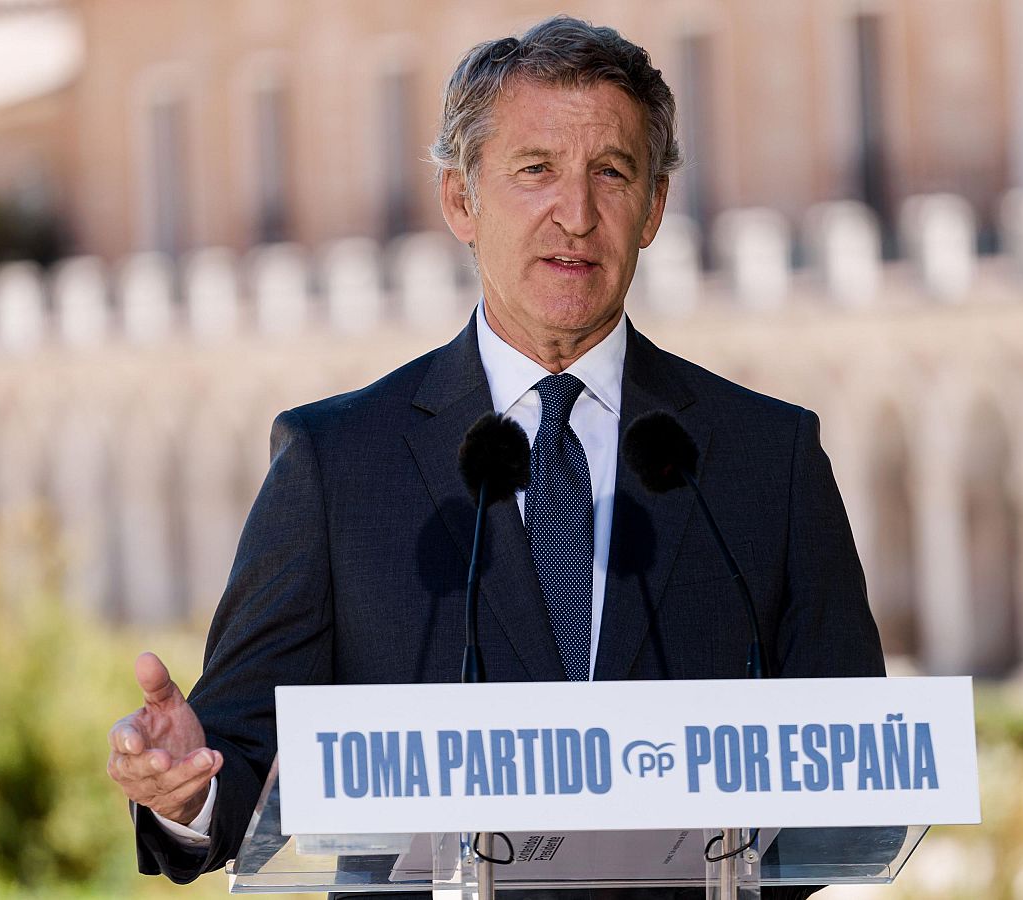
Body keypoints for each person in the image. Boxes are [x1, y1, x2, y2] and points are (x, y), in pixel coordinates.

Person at [107, 15, 884, 897]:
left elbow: (851, 768)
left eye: (612, 173)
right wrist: (186, 789)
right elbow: (240, 747)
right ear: (460, 201)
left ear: (655, 209)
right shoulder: (337, 464)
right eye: (535, 171)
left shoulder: (764, 458)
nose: (578, 214)